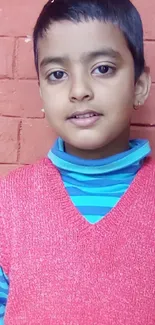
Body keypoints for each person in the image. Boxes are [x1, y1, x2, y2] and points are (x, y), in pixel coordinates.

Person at [0, 0, 154, 324]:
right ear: (41, 91)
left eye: (103, 68)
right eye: (57, 74)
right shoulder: (9, 203)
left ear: (140, 86)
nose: (79, 90)